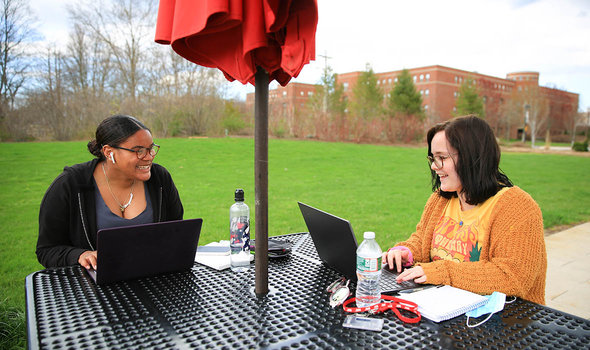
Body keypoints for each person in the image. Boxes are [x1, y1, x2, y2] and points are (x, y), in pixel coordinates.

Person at [383, 115, 547, 304]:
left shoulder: (517, 207)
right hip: (446, 311)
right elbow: (423, 241)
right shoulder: (440, 199)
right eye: (433, 158)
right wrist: (406, 253)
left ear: (472, 157)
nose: (435, 167)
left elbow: (512, 276)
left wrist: (441, 272)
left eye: (442, 158)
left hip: (503, 322)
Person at [36, 115, 184, 269]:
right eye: (138, 150)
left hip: (153, 280)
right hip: (94, 289)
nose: (149, 157)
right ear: (108, 151)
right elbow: (47, 250)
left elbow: (177, 234)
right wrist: (80, 255)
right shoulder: (71, 184)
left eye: (151, 148)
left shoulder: (160, 179)